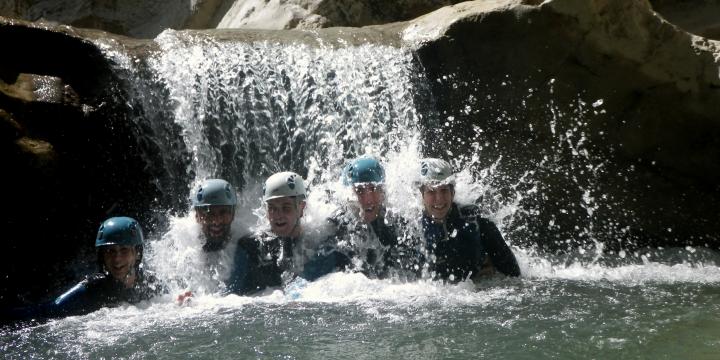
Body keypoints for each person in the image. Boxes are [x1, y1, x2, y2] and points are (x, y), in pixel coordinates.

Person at [5, 217, 164, 322]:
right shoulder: (90, 290)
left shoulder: (150, 283)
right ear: (102, 256)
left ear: (137, 254)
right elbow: (45, 312)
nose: (116, 259)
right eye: (110, 251)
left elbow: (173, 303)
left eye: (124, 250)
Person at [229, 171, 342, 295]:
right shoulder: (251, 248)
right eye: (272, 208)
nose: (278, 215)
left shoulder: (320, 245)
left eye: (286, 208)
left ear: (301, 208)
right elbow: (233, 297)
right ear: (266, 211)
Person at [417, 158, 520, 281]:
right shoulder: (409, 230)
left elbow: (515, 279)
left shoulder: (479, 226)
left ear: (452, 192)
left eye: (444, 190)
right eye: (431, 191)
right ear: (421, 195)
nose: (439, 199)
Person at [327, 156, 417, 279]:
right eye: (359, 190)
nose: (368, 199)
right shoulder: (335, 227)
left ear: (383, 191)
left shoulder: (395, 225)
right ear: (348, 194)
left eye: (374, 189)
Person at [192, 178, 238, 252]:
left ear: (233, 214)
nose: (217, 221)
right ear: (197, 216)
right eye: (209, 213)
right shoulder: (183, 250)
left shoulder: (248, 248)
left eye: (223, 212)